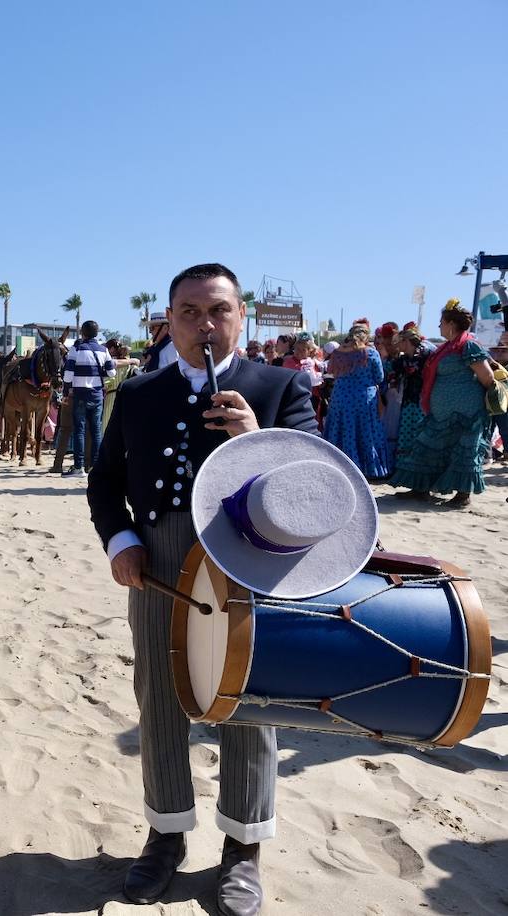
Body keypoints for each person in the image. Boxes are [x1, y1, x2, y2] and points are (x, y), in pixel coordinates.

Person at [88, 263, 318, 916]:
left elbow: (316, 482)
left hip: (246, 559)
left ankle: (243, 849)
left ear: (240, 317)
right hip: (158, 560)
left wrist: (258, 440)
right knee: (158, 696)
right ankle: (165, 833)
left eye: (217, 310)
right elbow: (105, 481)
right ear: (170, 321)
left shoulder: (279, 386)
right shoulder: (138, 393)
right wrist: (121, 540)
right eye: (188, 312)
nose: (204, 325)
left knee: (247, 699)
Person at [388, 301, 496, 507]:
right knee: (428, 447)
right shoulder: (446, 348)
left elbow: (487, 377)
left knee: (463, 450)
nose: (438, 326)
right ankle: (420, 488)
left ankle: (463, 495)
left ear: (451, 324)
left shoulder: (468, 345)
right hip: (441, 413)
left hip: (465, 413)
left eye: (441, 322)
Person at [323, 323, 389, 479]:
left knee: (341, 428)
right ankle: (368, 468)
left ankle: (338, 463)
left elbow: (331, 371)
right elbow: (379, 377)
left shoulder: (338, 352)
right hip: (363, 397)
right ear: (366, 336)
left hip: (340, 396)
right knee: (365, 431)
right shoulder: (371, 353)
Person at [61, 319, 115, 477]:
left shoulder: (76, 349)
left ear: (82, 333)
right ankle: (95, 466)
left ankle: (79, 467)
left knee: (79, 430)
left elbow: (68, 376)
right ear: (96, 333)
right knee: (96, 431)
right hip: (97, 394)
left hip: (80, 395)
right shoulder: (103, 350)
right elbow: (111, 373)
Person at [389, 323, 435, 500]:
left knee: (421, 441)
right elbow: (391, 370)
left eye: (399, 342)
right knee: (409, 440)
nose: (397, 346)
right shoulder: (403, 360)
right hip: (409, 404)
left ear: (405, 341)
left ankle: (424, 487)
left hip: (423, 404)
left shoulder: (426, 356)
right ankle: (416, 486)